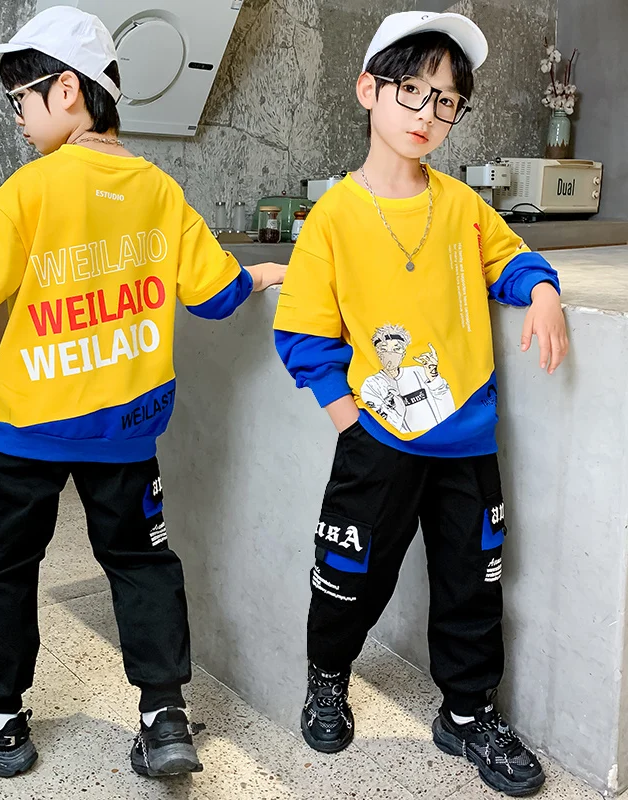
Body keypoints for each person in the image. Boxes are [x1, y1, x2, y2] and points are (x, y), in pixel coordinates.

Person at [0, 5, 284, 780]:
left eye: (20, 98)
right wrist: (260, 276)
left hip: (27, 431)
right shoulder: (159, 190)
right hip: (127, 431)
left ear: (67, 91)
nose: (17, 117)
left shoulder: (33, 188)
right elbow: (216, 294)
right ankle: (163, 717)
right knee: (142, 563)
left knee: (0, 566)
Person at [273, 11, 567, 797]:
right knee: (349, 575)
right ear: (368, 90)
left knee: (474, 586)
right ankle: (328, 677)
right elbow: (302, 331)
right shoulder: (334, 216)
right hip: (377, 441)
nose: (428, 114)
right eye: (412, 90)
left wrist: (541, 290)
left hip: (467, 442)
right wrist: (350, 421)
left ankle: (467, 714)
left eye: (446, 101)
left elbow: (513, 258)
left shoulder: (463, 205)